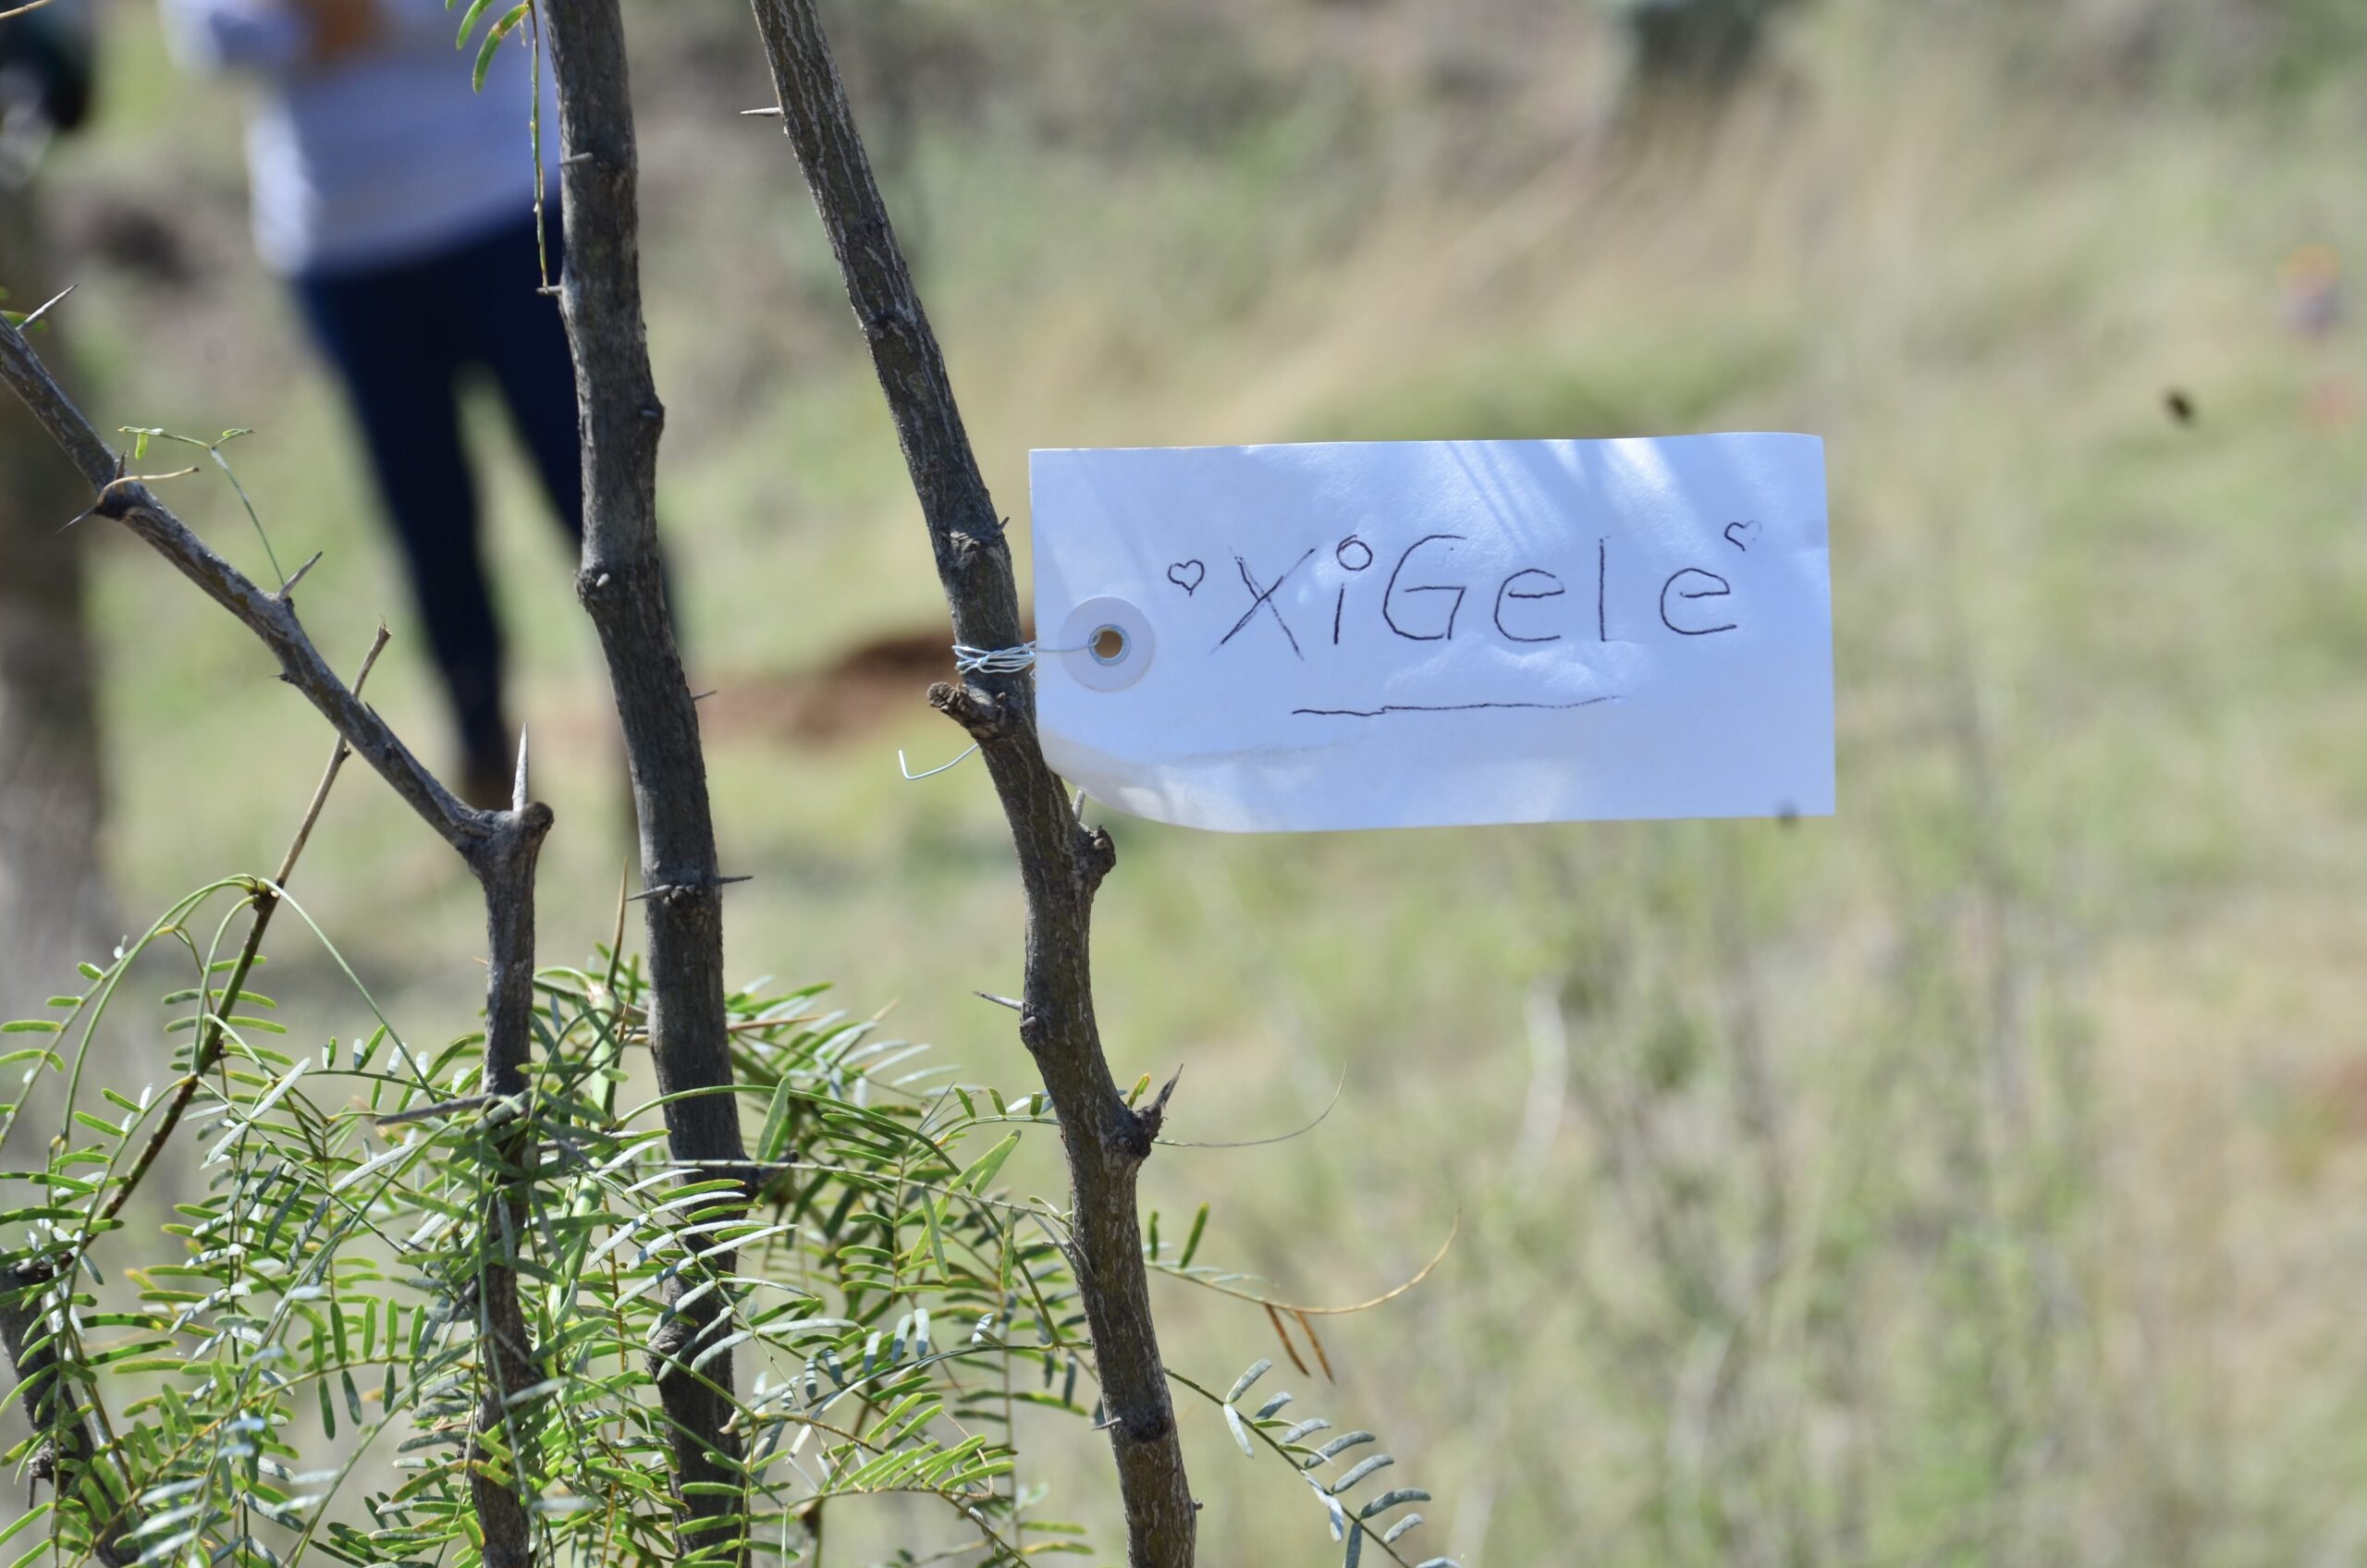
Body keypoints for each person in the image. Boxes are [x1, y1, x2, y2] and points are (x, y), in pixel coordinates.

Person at [161, 0, 583, 807]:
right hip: (345, 252)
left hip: (508, 205)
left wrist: (354, 15)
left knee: (594, 489)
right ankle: (486, 797)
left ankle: (661, 758)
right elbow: (208, 33)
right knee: (429, 526)